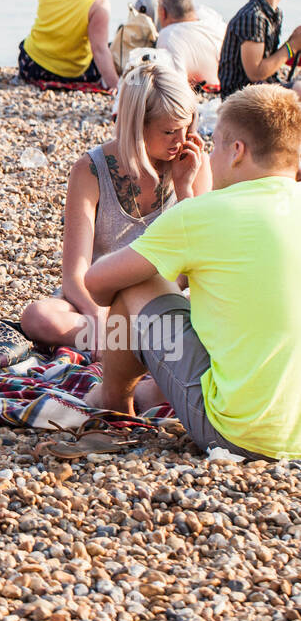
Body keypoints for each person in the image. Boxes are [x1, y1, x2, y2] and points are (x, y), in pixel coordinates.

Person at [84, 85, 301, 460]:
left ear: (237, 152)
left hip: (241, 436)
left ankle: (115, 403)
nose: (210, 156)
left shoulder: (206, 214)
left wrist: (167, 270)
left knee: (137, 283)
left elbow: (98, 284)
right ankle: (148, 392)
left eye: (215, 145)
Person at [20, 58, 210, 350]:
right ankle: (138, 345)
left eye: (186, 128)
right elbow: (74, 275)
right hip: (101, 301)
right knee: (38, 317)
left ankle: (125, 344)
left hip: (164, 298)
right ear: (137, 126)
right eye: (169, 131)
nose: (181, 140)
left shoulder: (193, 162)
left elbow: (198, 262)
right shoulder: (90, 170)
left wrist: (184, 189)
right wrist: (96, 316)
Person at [19, 0, 120, 90]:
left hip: (31, 66)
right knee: (109, 48)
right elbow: (99, 50)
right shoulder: (98, 5)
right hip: (68, 73)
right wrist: (118, 89)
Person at [218, 0, 301, 99]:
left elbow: (268, 63)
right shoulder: (253, 17)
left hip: (262, 87)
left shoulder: (273, 13)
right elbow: (255, 73)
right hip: (240, 98)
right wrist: (292, 46)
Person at [155, 0, 226, 89]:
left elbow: (176, 91)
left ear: (162, 11)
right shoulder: (210, 16)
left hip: (204, 100)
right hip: (231, 91)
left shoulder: (168, 36)